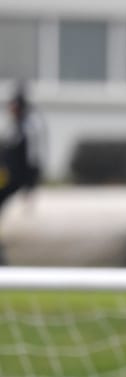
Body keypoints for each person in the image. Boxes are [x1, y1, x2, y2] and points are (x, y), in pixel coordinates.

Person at [0, 85, 45, 266]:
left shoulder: (29, 126)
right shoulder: (16, 125)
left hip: (15, 178)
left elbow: (33, 157)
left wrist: (30, 187)